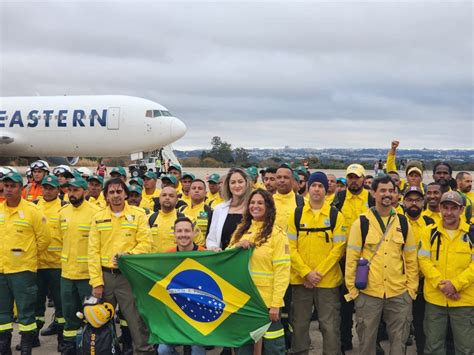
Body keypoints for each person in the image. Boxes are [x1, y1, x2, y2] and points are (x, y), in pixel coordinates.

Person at [345, 175, 418, 355]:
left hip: (399, 292)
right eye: (383, 190)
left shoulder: (403, 222)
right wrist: (354, 292)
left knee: (399, 342)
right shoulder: (361, 223)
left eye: (391, 191)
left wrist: (411, 290)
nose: (387, 194)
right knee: (366, 342)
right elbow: (351, 259)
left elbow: (410, 258)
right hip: (369, 292)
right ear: (373, 193)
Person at [88, 178, 154, 355]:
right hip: (105, 276)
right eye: (111, 192)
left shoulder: (139, 215)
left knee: (136, 320)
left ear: (125, 193)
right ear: (106, 196)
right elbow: (92, 251)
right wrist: (97, 283)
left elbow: (146, 243)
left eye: (119, 191)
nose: (116, 195)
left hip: (128, 276)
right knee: (102, 320)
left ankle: (144, 351)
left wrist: (129, 256)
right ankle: (106, 350)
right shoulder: (98, 218)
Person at [287, 172, 347, 355]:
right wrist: (306, 273)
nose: (316, 189)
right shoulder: (296, 215)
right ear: (308, 188)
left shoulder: (336, 215)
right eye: (313, 185)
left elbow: (338, 249)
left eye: (320, 186)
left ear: (325, 189)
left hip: (327, 282)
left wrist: (317, 274)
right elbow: (289, 247)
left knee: (329, 326)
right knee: (299, 325)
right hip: (300, 281)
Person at [229, 189, 290, 355]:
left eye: (260, 203)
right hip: (244, 301)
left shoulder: (277, 234)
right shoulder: (241, 230)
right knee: (243, 348)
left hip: (267, 304)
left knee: (274, 349)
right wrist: (236, 246)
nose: (255, 206)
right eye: (252, 203)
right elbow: (226, 257)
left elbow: (282, 272)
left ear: (268, 207)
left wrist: (276, 304)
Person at [418, 191, 474, 354]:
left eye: (453, 208)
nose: (449, 212)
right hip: (436, 300)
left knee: (466, 348)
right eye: (445, 207)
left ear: (461, 210)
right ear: (440, 208)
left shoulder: (471, 234)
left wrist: (456, 285)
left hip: (464, 301)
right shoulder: (429, 232)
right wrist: (443, 286)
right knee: (434, 346)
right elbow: (423, 261)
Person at [0, 172, 50, 355]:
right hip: (2, 270)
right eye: (6, 186)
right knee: (3, 313)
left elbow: (44, 239)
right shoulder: (0, 210)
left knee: (26, 312)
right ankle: (4, 347)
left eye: (13, 186)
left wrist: (27, 256)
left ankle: (27, 347)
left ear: (21, 189)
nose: (9, 189)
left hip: (23, 271)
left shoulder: (33, 211)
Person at [58, 177, 102, 355]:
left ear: (84, 191)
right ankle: (69, 347)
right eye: (70, 190)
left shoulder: (96, 213)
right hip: (67, 275)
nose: (72, 194)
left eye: (76, 190)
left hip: (87, 276)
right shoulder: (63, 212)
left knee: (89, 316)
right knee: (69, 315)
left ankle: (89, 347)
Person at [334, 163, 373, 352]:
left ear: (364, 179)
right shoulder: (339, 199)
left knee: (370, 306)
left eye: (357, 177)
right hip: (344, 260)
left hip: (368, 261)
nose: (354, 180)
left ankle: (371, 342)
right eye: (350, 177)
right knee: (345, 305)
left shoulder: (372, 199)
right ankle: (344, 340)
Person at [157, 217, 205, 355]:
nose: (183, 234)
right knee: (163, 350)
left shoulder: (205, 254)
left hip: (198, 314)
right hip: (174, 313)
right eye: (179, 231)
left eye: (186, 231)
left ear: (194, 233)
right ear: (174, 234)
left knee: (197, 351)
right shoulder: (167, 256)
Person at [33, 176, 67, 351]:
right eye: (45, 188)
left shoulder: (64, 208)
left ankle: (62, 338)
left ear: (58, 190)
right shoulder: (34, 206)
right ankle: (33, 337)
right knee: (36, 304)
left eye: (51, 188)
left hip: (57, 266)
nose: (47, 191)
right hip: (37, 265)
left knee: (61, 304)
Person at [402, 186, 435, 355]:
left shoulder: (431, 224)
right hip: (402, 281)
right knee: (401, 324)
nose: (413, 203)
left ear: (423, 203)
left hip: (423, 282)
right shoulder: (397, 222)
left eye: (417, 200)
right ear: (403, 201)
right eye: (410, 200)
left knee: (423, 323)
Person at [206, 168, 252, 251]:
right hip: (225, 260)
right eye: (233, 182)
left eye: (240, 182)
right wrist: (213, 247)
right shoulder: (219, 209)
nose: (237, 186)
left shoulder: (253, 208)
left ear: (246, 184)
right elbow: (211, 239)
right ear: (228, 186)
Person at [149, 187, 185, 252]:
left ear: (177, 201)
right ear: (159, 199)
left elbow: (198, 243)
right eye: (164, 195)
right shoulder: (149, 219)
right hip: (155, 261)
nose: (167, 198)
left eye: (171, 196)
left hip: (178, 261)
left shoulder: (185, 219)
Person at [179, 179, 212, 246]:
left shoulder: (210, 212)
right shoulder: (181, 210)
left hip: (201, 251)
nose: (196, 190)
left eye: (200, 188)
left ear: (205, 193)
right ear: (189, 192)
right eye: (194, 188)